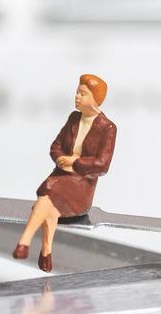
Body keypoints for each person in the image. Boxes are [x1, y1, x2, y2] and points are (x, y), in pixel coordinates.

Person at [13, 74, 116, 273]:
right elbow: (55, 146)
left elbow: (102, 165)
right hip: (60, 175)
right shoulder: (73, 118)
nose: (77, 96)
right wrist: (61, 158)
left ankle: (25, 242)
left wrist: (75, 162)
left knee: (46, 195)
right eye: (77, 92)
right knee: (49, 206)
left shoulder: (107, 127)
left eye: (83, 94)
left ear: (95, 99)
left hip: (81, 184)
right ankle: (45, 252)